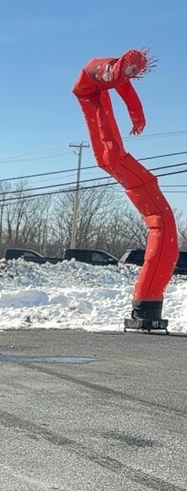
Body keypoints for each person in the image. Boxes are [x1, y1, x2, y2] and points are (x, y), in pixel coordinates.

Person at [72, 48, 178, 331]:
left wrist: (137, 118)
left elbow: (127, 92)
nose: (131, 75)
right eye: (131, 69)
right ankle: (146, 303)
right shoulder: (105, 69)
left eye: (135, 72)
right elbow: (113, 77)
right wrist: (120, 78)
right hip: (90, 91)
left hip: (92, 96)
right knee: (111, 154)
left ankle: (147, 301)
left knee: (110, 154)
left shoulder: (115, 77)